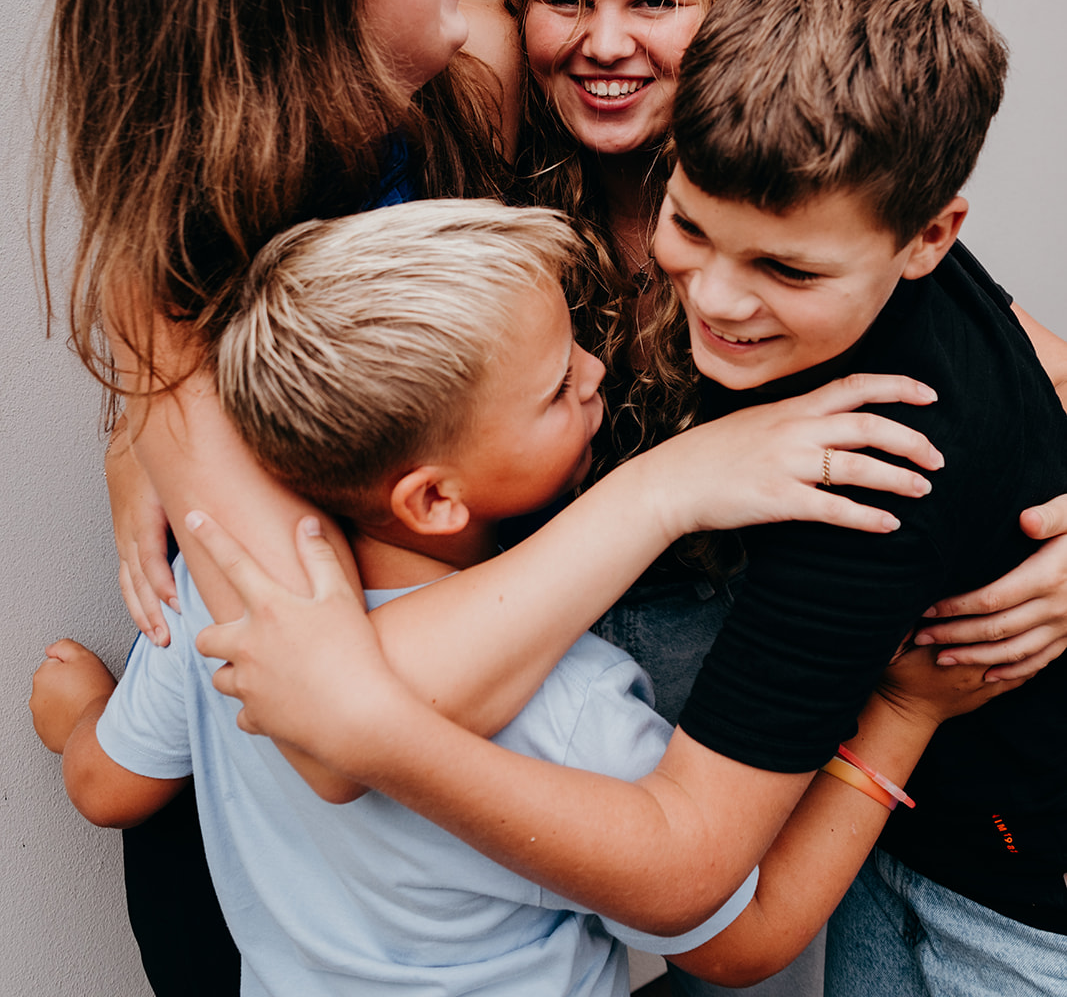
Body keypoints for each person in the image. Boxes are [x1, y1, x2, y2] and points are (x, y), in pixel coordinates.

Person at [40, 0, 947, 995]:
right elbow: (338, 731)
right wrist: (670, 485)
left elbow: (830, 165)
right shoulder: (177, 314)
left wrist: (1031, 447)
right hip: (269, 864)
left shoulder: (485, 65)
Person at [188, 0, 1067, 995]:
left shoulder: (872, 476)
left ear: (929, 237)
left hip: (1007, 909)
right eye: (689, 225)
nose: (719, 302)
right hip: (908, 840)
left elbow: (686, 878)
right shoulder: (839, 186)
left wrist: (378, 736)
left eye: (785, 270)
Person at [30, 199, 1015, 996]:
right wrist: (901, 714)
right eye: (555, 389)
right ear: (433, 497)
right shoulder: (572, 708)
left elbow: (107, 786)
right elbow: (740, 940)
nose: (596, 371)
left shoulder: (223, 601)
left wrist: (78, 716)